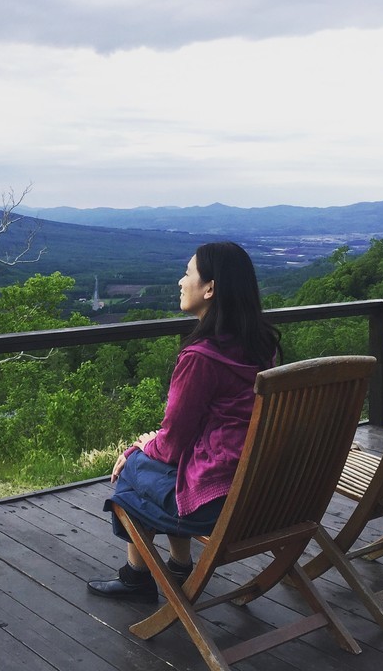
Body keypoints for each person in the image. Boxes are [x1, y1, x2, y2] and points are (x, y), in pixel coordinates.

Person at [87, 241, 281, 602]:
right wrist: (152, 445)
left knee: (132, 472)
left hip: (221, 498)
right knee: (153, 465)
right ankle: (177, 568)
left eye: (188, 273)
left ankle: (138, 578)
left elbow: (173, 443)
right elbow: (196, 435)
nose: (180, 281)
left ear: (210, 288)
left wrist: (137, 448)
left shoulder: (201, 358)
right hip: (266, 488)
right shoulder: (260, 346)